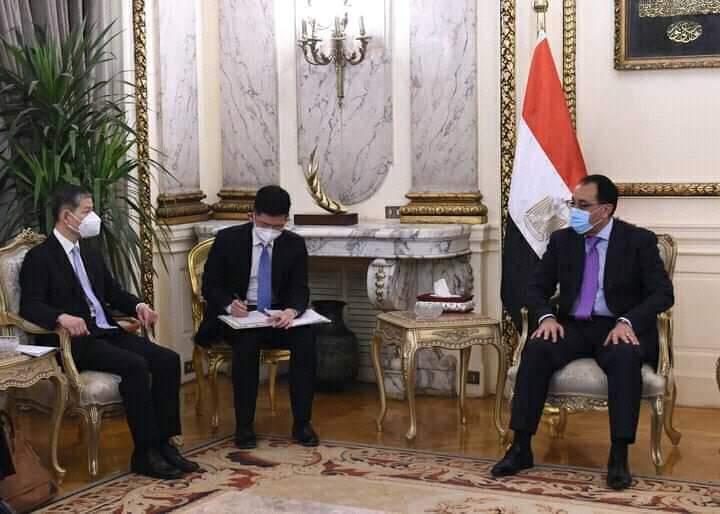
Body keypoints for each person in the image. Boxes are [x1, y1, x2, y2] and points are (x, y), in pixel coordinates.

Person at [492, 175, 673, 490]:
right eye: (572, 204)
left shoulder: (638, 241)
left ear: (605, 210)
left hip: (616, 326)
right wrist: (546, 317)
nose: (574, 211)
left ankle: (618, 456)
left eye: (583, 205)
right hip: (573, 326)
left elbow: (662, 294)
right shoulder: (563, 240)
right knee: (537, 348)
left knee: (625, 357)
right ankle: (520, 447)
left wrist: (628, 322)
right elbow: (535, 288)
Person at [19, 185, 198, 480]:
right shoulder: (40, 257)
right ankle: (145, 453)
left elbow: (113, 292)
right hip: (75, 341)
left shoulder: (90, 253)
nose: (94, 217)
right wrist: (60, 317)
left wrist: (139, 305)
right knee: (135, 365)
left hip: (107, 332)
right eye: (87, 211)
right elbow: (30, 305)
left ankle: (165, 444)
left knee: (167, 359)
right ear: (67, 217)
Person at [196, 185, 318, 449]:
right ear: (252, 215)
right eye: (264, 225)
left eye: (277, 227)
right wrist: (229, 304)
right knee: (246, 344)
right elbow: (210, 286)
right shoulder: (228, 240)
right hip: (240, 316)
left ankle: (302, 423)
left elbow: (300, 288)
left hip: (277, 315)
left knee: (306, 339)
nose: (270, 232)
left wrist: (291, 311)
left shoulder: (294, 244)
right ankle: (244, 426)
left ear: (286, 220)